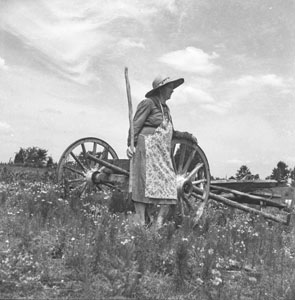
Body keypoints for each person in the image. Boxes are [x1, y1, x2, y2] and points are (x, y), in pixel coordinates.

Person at [127, 75, 197, 228]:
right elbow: (135, 125)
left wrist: (187, 136)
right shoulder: (148, 103)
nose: (172, 90)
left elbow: (170, 132)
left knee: (169, 186)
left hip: (161, 153)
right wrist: (130, 144)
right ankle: (140, 223)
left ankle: (157, 225)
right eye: (170, 87)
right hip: (147, 149)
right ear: (161, 89)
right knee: (143, 185)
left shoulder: (166, 109)